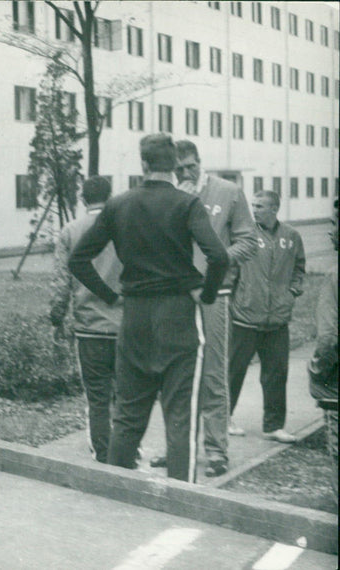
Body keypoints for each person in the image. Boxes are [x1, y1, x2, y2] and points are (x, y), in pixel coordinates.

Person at [70, 133, 229, 483]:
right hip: (179, 317)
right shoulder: (187, 204)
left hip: (134, 319)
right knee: (180, 418)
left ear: (143, 164)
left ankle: (115, 492)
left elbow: (78, 259)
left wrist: (112, 296)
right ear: (173, 166)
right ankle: (179, 502)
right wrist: (206, 293)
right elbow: (218, 256)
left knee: (127, 416)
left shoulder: (118, 204)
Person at [148, 140, 257, 477]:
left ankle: (216, 450)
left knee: (212, 373)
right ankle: (178, 447)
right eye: (178, 168)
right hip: (176, 296)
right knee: (175, 375)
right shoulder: (169, 196)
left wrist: (220, 262)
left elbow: (248, 241)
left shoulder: (228, 192)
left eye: (190, 166)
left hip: (214, 294)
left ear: (200, 162)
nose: (185, 173)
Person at [50, 176, 122, 463]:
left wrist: (57, 318)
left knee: (97, 397)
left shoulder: (70, 231)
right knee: (126, 395)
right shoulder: (125, 228)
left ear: (82, 199)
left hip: (89, 327)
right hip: (124, 325)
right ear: (111, 196)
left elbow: (60, 281)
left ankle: (102, 453)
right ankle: (129, 448)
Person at [228, 191, 306, 443]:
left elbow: (299, 267)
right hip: (245, 317)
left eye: (260, 206)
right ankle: (223, 419)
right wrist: (235, 298)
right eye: (253, 205)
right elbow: (230, 268)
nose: (255, 210)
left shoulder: (292, 237)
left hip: (277, 320)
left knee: (276, 373)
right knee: (234, 370)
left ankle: (273, 426)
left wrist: (293, 291)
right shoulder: (245, 235)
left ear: (275, 208)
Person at [307, 199, 338, 501]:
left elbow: (327, 340)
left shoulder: (334, 277)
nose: (332, 232)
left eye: (335, 224)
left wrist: (316, 370)